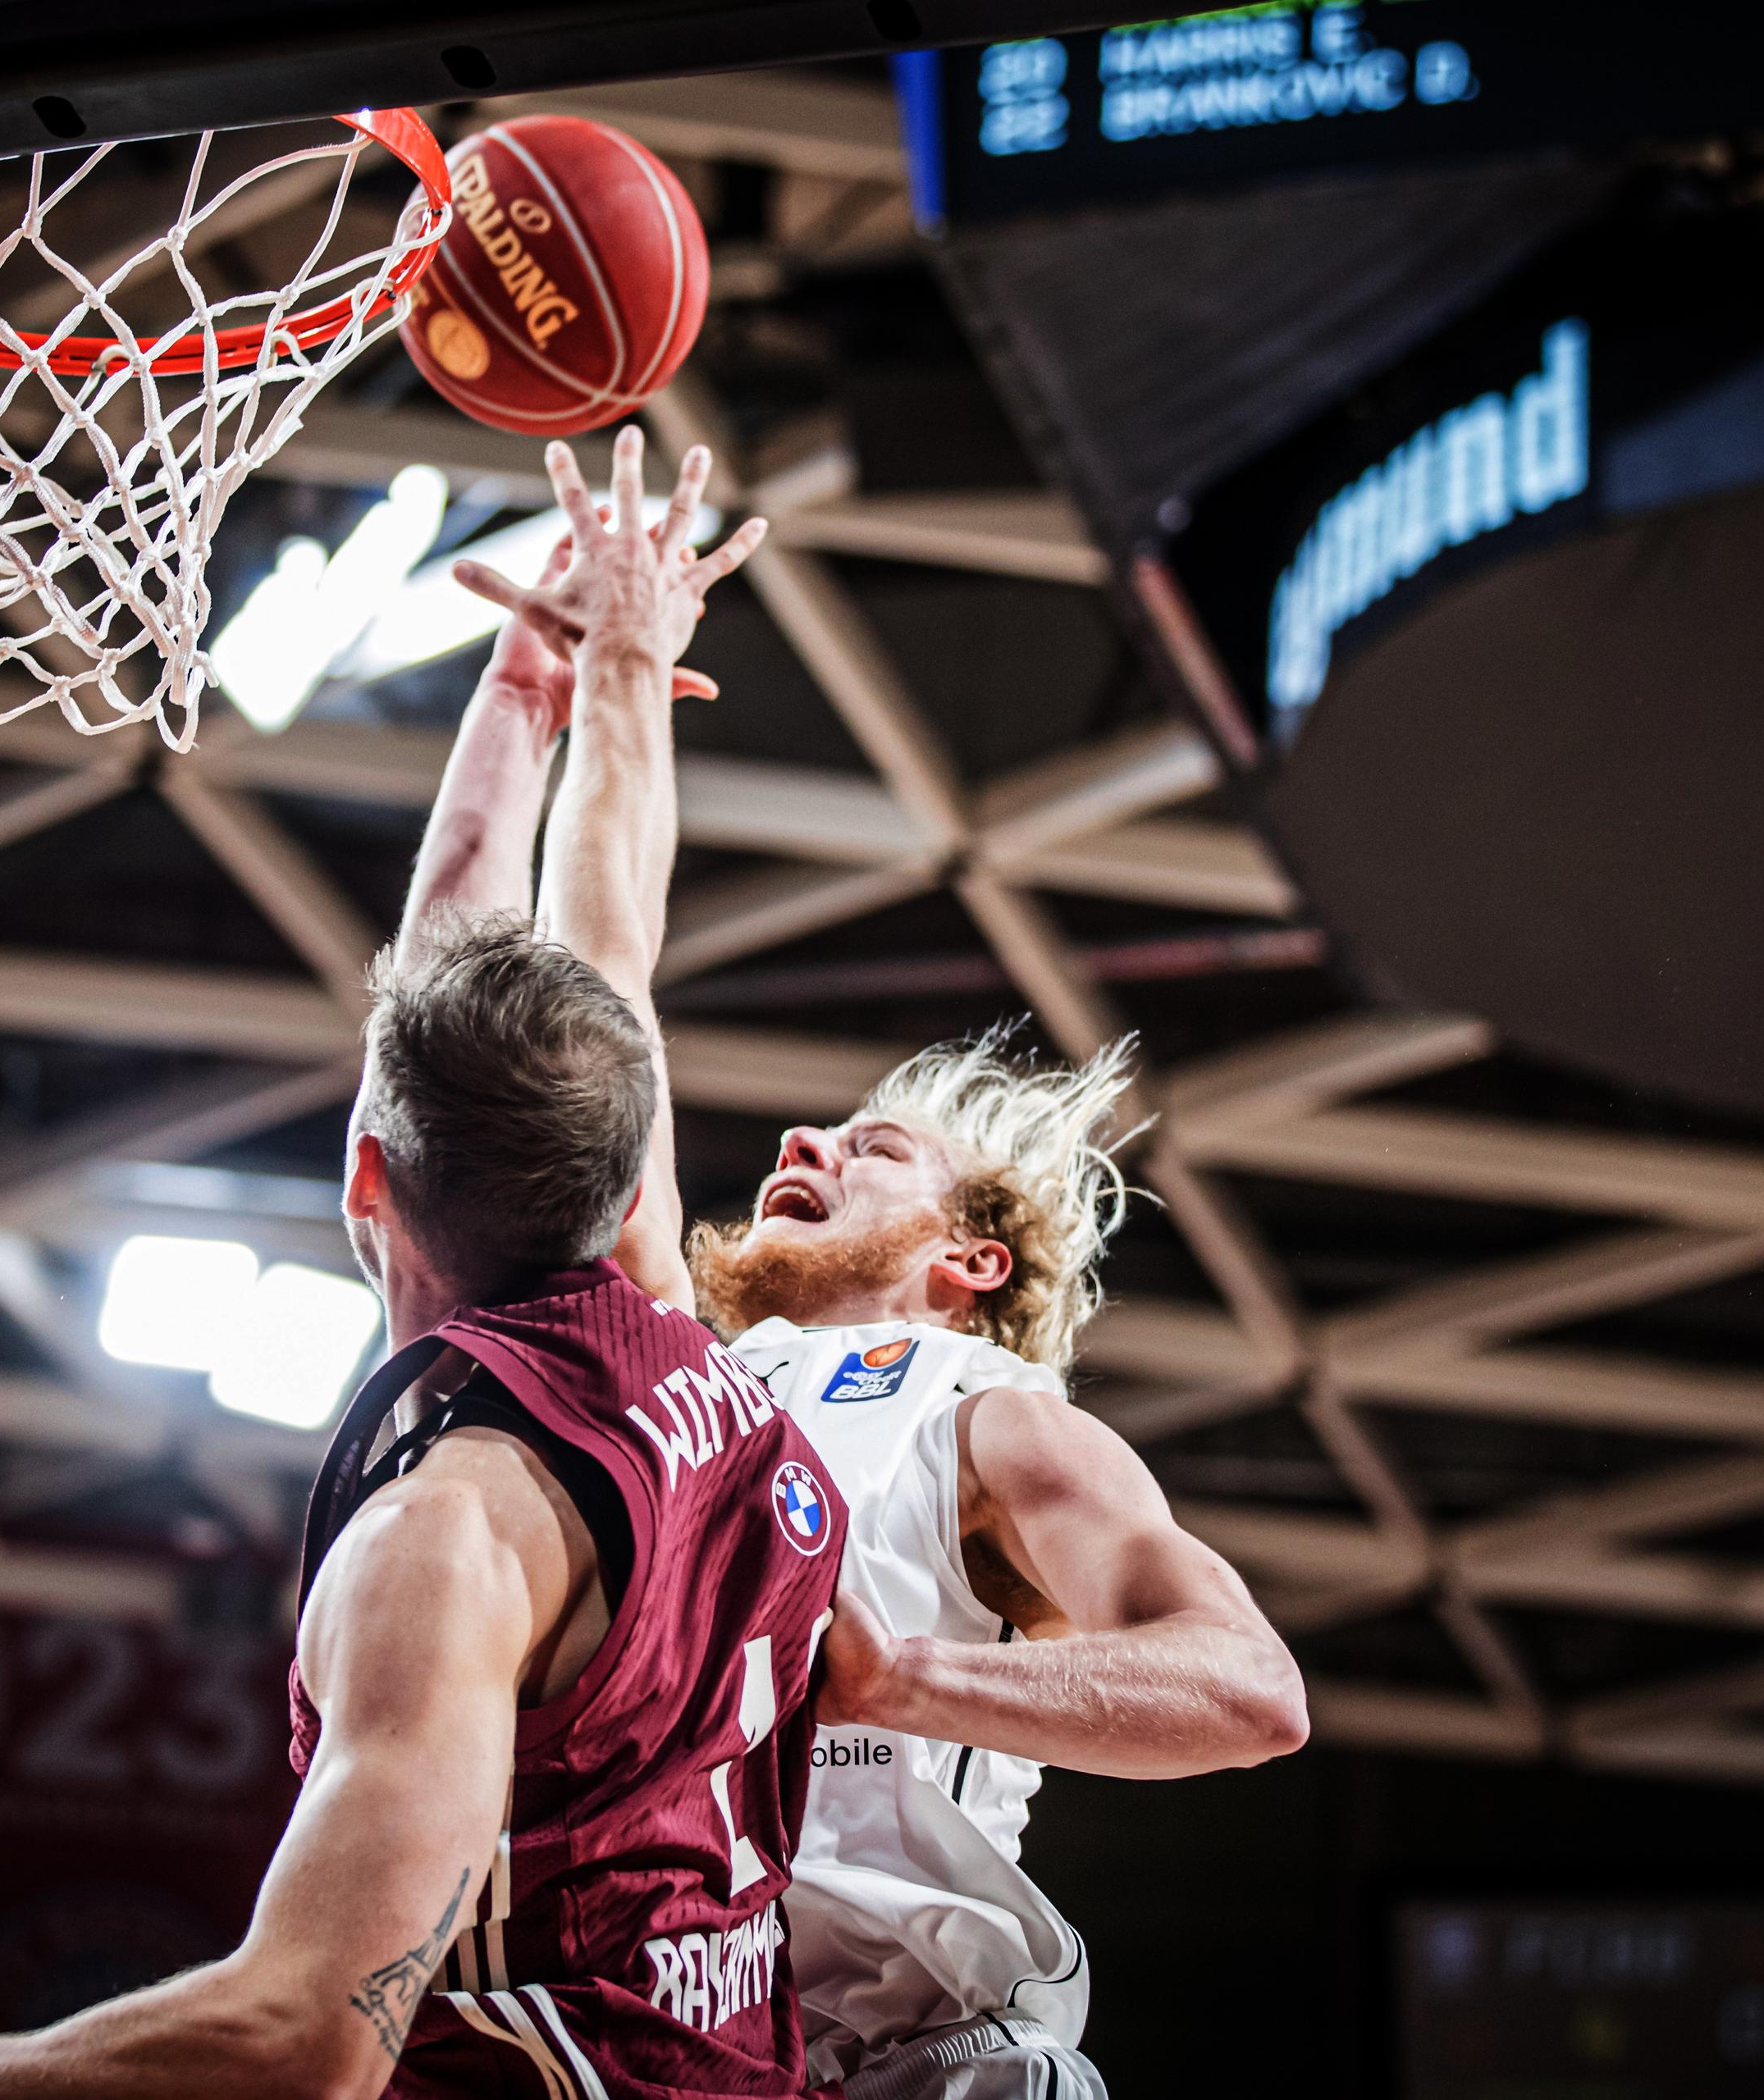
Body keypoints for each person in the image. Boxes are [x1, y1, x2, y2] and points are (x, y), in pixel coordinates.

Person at [0, 439, 853, 2100]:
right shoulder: (670, 1322)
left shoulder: (453, 1540)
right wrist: (584, 671)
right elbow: (600, 929)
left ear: (364, 1174)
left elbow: (308, 2031)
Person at [450, 430, 1313, 2100]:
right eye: (814, 1136)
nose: (804, 1146)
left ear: (971, 1259)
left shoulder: (988, 1414)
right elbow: (602, 982)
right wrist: (604, 672)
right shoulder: (673, 1370)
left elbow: (1252, 1689)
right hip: (680, 2046)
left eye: (874, 1148)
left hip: (933, 2062)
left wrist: (900, 1670)